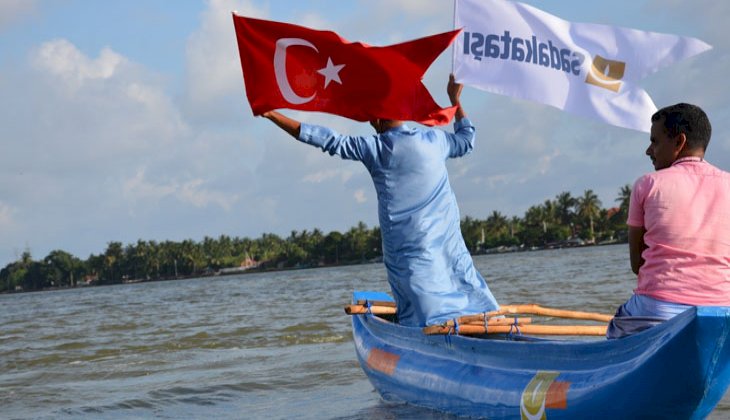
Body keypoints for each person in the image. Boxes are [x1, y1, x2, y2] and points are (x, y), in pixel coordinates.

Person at [261, 74, 499, 327]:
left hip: (408, 246)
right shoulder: (435, 140)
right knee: (463, 280)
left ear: (375, 119)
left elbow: (326, 139)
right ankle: (486, 319)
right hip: (446, 239)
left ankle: (427, 332)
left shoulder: (375, 148)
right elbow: (466, 140)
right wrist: (455, 99)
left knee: (420, 302)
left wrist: (273, 114)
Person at [607, 103, 730, 339]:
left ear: (679, 142)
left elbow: (638, 265)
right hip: (723, 308)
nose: (648, 151)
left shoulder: (647, 184)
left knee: (617, 326)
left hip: (659, 309)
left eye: (654, 141)